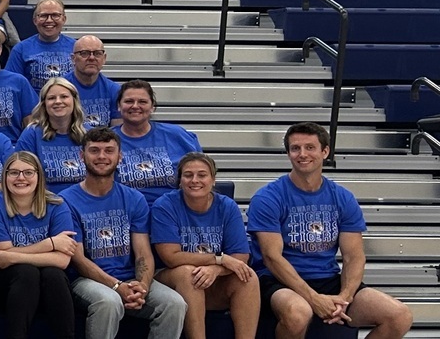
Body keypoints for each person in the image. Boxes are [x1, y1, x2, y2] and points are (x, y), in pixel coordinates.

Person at [251, 123, 413, 339]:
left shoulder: (342, 197)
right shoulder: (268, 197)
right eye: (295, 148)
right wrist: (314, 298)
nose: (302, 154)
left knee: (399, 315)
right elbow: (272, 257)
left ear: (325, 151)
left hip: (328, 278)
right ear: (288, 153)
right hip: (279, 281)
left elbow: (354, 256)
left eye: (310, 147)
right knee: (298, 313)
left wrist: (344, 298)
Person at [62, 128, 187, 339]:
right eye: (94, 150)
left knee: (174, 304)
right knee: (108, 302)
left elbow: (143, 253)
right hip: (85, 281)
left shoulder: (134, 198)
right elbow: (79, 260)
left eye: (109, 150)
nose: (102, 156)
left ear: (120, 157)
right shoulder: (67, 200)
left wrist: (143, 286)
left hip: (129, 278)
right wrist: (116, 286)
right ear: (82, 156)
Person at [153, 153, 259, 339]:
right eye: (188, 175)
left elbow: (241, 256)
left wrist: (216, 269)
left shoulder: (227, 206)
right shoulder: (165, 205)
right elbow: (171, 257)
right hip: (171, 279)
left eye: (202, 175)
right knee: (189, 274)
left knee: (248, 277)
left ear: (213, 180)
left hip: (212, 281)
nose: (195, 180)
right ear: (180, 181)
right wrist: (219, 259)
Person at [0, 151, 79, 339]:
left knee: (54, 274)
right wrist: (50, 243)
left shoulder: (57, 204)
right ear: (5, 177)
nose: (21, 178)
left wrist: (13, 256)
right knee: (27, 272)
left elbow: (62, 261)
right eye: (14, 172)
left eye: (28, 172)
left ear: (39, 176)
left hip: (41, 283)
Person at [114, 80, 204, 202]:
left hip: (173, 209)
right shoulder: (107, 141)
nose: (135, 106)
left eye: (142, 102)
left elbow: (202, 176)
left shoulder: (178, 136)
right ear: (119, 106)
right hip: (127, 209)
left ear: (152, 107)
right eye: (129, 101)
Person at [15, 77, 90, 188]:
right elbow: (20, 176)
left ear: (74, 100)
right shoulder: (32, 133)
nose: (58, 101)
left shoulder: (90, 134)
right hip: (45, 198)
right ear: (44, 104)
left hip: (82, 198)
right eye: (51, 98)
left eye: (64, 96)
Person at [6, 0, 75, 90]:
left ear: (64, 19)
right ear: (35, 20)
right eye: (43, 16)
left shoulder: (76, 47)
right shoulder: (20, 49)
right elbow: (12, 85)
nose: (49, 20)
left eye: (55, 15)